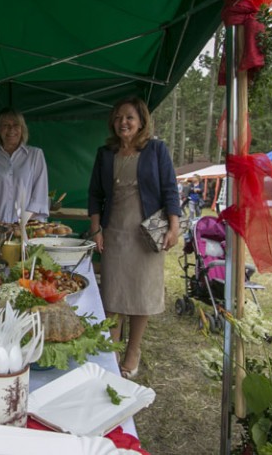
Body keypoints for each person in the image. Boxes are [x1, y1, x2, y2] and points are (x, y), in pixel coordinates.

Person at [87, 97, 181, 379]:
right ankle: (111, 350)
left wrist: (174, 228)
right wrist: (96, 229)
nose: (123, 123)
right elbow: (94, 194)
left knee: (141, 294)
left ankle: (133, 351)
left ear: (141, 121)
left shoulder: (156, 150)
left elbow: (170, 190)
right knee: (113, 294)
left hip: (147, 234)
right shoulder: (105, 154)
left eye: (129, 117)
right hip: (114, 232)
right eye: (118, 118)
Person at [0, 107, 49, 224]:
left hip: (27, 228)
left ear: (22, 128)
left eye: (16, 125)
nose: (11, 130)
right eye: (5, 125)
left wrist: (20, 224)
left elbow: (39, 196)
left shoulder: (35, 155)